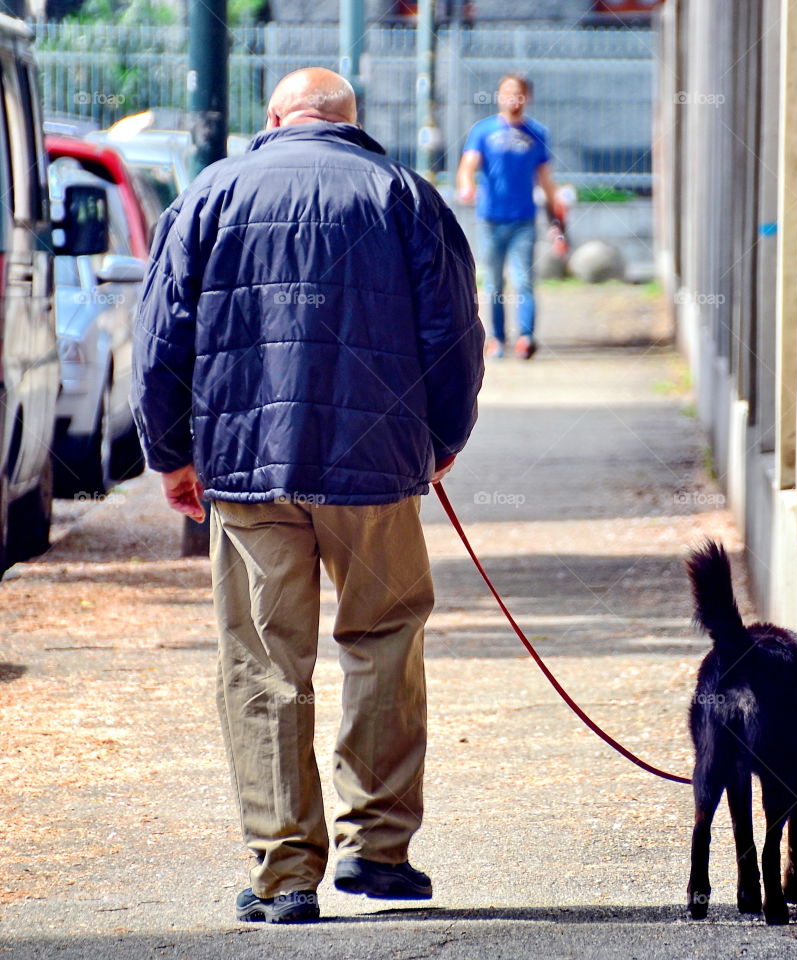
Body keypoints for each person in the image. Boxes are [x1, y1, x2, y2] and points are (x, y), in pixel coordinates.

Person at [132, 67, 484, 924]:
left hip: (249, 471)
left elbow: (160, 334)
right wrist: (439, 442)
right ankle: (380, 851)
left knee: (263, 663)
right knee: (385, 643)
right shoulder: (402, 194)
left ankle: (285, 872)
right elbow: (455, 332)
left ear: (275, 119)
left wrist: (172, 454)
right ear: (350, 123)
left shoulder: (211, 195)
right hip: (374, 472)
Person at [457, 73, 565, 360]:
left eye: (518, 93)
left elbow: (546, 179)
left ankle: (526, 338)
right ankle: (497, 339)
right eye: (507, 92)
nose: (512, 98)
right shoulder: (483, 131)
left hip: (524, 220)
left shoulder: (537, 134)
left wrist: (558, 218)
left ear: (526, 98)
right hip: (490, 219)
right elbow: (468, 165)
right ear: (499, 96)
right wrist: (467, 186)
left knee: (523, 280)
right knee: (492, 282)